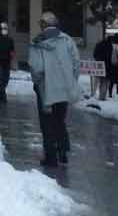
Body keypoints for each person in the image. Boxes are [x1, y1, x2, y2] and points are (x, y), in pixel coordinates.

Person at [28, 10, 80, 168]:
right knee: (60, 120)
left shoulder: (37, 42)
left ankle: (50, 157)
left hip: (46, 88)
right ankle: (62, 152)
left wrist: (37, 83)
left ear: (43, 25)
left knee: (47, 122)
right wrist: (71, 80)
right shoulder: (67, 40)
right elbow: (75, 63)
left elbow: (36, 68)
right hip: (64, 88)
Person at [92, 34, 114, 101]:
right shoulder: (110, 46)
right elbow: (110, 56)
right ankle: (102, 97)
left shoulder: (98, 44)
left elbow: (94, 54)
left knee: (96, 80)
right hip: (107, 66)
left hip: (99, 64)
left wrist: (98, 60)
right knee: (105, 82)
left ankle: (93, 94)